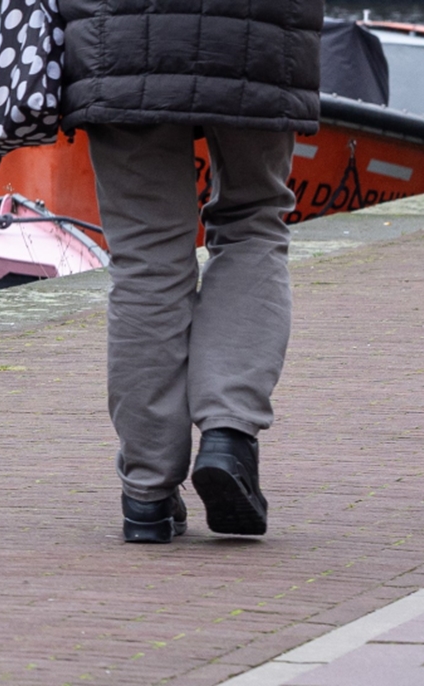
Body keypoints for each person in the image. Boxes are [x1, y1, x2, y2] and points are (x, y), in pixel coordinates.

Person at [61, 2, 321, 542]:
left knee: (146, 255)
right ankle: (228, 436)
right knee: (253, 221)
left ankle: (148, 496)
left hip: (121, 33)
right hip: (257, 28)